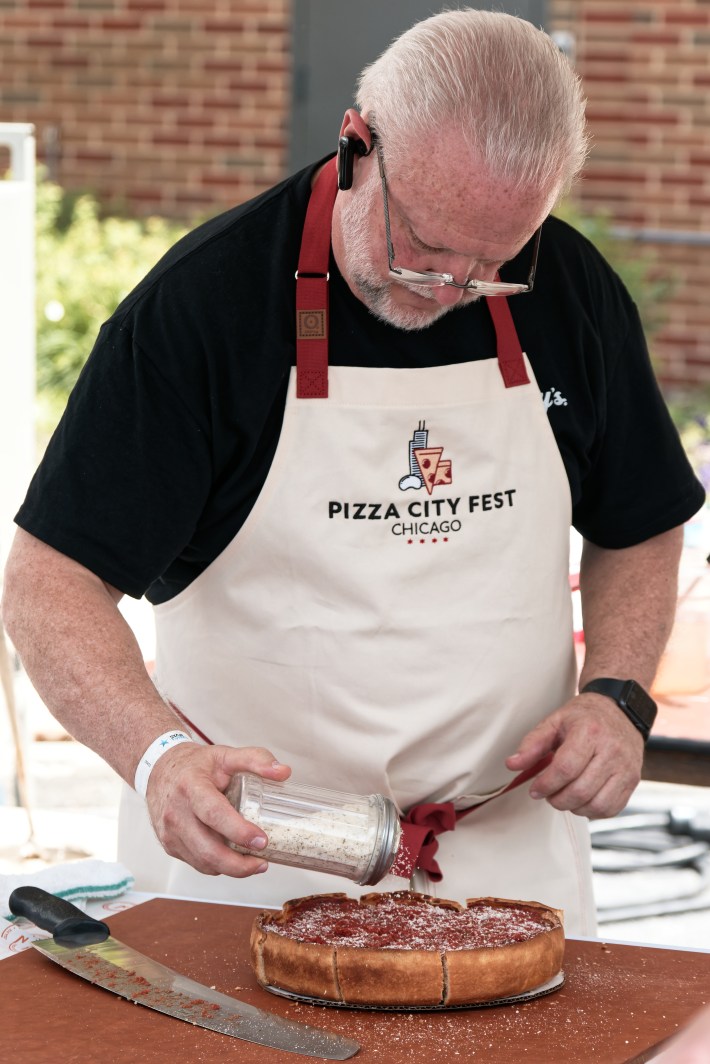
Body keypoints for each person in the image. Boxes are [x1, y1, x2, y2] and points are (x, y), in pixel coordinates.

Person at [1, 9, 704, 937]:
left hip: (509, 867)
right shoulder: (205, 311)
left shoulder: (567, 288)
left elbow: (641, 521)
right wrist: (155, 755)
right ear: (356, 145)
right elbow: (50, 583)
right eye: (426, 246)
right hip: (249, 865)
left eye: (492, 264)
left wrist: (618, 695)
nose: (452, 287)